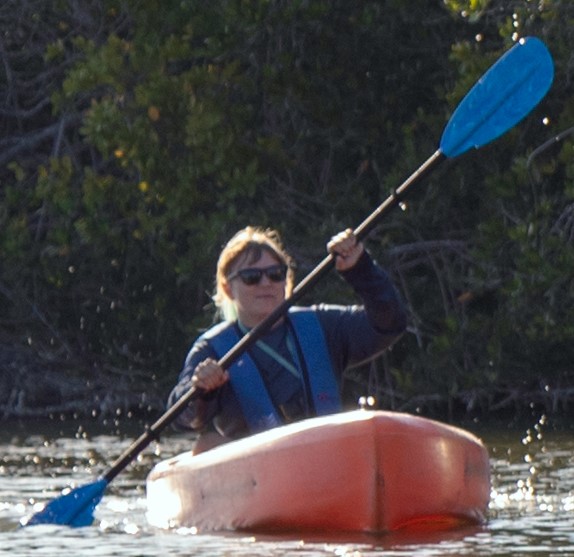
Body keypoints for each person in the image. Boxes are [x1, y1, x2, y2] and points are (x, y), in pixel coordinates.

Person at [167, 226, 407, 453]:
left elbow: (389, 323)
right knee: (207, 444)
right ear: (228, 288)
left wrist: (360, 269)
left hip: (329, 455)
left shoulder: (324, 325)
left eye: (275, 274)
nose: (266, 284)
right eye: (252, 277)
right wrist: (201, 391)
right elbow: (184, 419)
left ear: (286, 280)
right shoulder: (211, 349)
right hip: (257, 470)